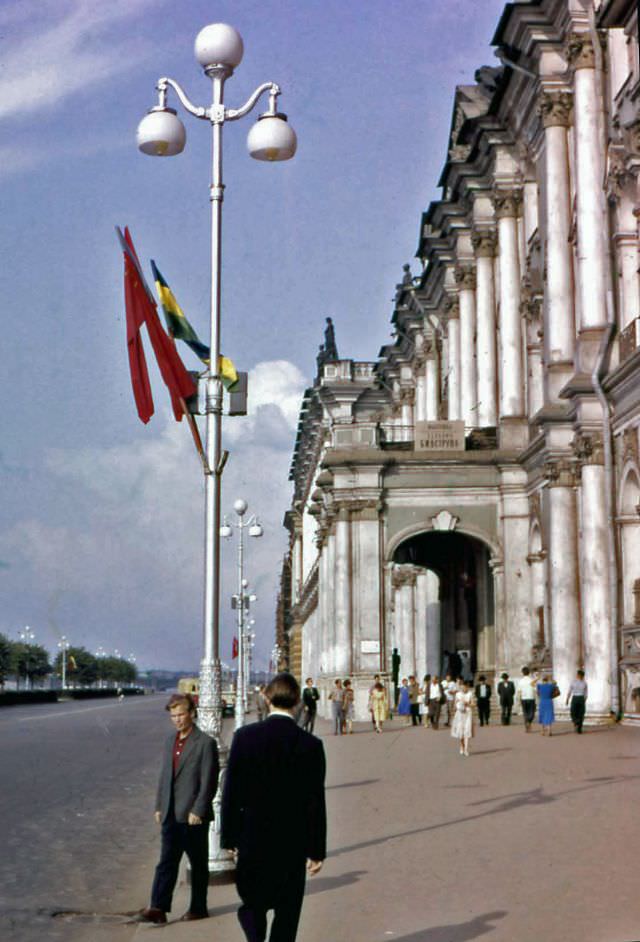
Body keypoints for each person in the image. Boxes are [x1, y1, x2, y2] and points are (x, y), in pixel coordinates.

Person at [221, 673, 326, 942]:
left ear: (267, 699)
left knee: (252, 905)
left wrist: (229, 837)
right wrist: (316, 850)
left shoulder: (245, 737)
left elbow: (232, 791)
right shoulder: (311, 745)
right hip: (292, 843)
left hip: (252, 838)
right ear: (297, 703)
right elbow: (315, 801)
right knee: (287, 913)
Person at [135, 693, 220, 925]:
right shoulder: (169, 741)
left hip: (193, 817)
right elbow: (165, 777)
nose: (177, 720)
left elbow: (209, 780)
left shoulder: (205, 743)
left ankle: (199, 907)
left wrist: (199, 810)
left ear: (192, 713)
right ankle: (158, 908)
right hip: (171, 813)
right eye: (173, 716)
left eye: (181, 714)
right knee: (166, 862)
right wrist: (159, 805)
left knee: (198, 864)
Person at [451, 679, 475, 756]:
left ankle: (466, 749)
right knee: (460, 732)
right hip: (460, 714)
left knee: (467, 731)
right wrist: (458, 705)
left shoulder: (470, 694)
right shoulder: (457, 694)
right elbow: (454, 706)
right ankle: (462, 746)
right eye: (462, 687)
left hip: (468, 713)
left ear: (468, 687)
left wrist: (467, 703)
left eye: (465, 687)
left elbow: (473, 704)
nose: (464, 688)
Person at [566, 669, 588, 733]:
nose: (579, 676)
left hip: (579, 698)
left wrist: (567, 699)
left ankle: (579, 728)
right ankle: (576, 722)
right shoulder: (574, 682)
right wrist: (567, 698)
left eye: (580, 675)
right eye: (579, 675)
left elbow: (586, 693)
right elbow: (570, 691)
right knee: (573, 712)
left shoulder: (584, 683)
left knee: (580, 713)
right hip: (576, 697)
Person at [517, 667, 537, 732]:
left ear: (522, 673)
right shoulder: (532, 680)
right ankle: (529, 721)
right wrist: (536, 699)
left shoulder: (520, 681)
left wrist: (519, 700)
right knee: (532, 712)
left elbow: (519, 691)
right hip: (531, 698)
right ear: (529, 672)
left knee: (525, 712)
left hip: (524, 698)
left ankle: (527, 724)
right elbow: (535, 690)